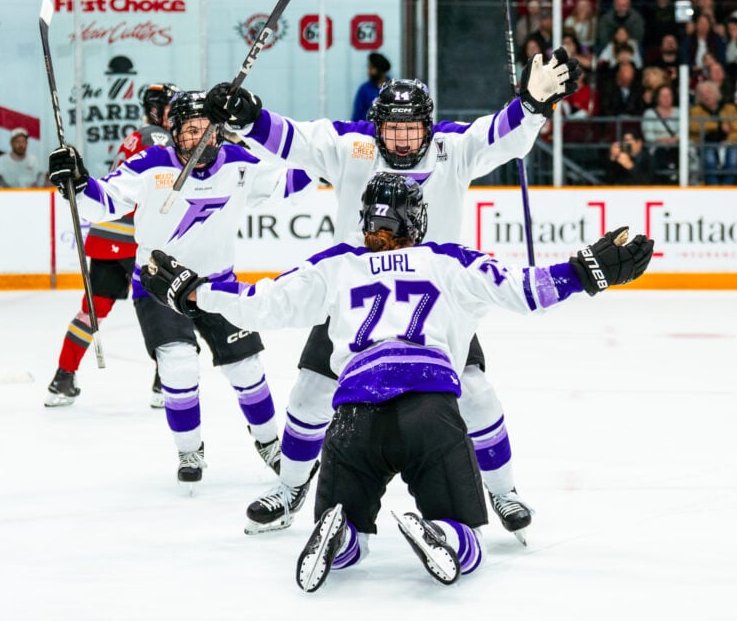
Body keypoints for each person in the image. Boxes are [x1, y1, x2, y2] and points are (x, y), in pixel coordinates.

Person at [139, 173, 653, 591]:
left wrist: (193, 294)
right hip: (428, 409)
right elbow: (527, 290)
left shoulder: (336, 266)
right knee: (467, 536)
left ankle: (340, 536)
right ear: (418, 220)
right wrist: (587, 273)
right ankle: (446, 534)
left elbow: (260, 304)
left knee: (350, 531)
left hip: (353, 417)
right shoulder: (448, 259)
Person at [203, 47, 581, 539]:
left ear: (429, 125)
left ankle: (504, 491)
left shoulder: (454, 146)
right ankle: (291, 487)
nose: (402, 140)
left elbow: (500, 136)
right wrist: (250, 117)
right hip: (355, 297)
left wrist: (532, 103)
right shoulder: (351, 146)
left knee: (476, 392)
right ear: (375, 124)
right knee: (310, 392)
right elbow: (292, 139)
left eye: (412, 129)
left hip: (436, 302)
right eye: (392, 129)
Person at [45, 90, 313, 485]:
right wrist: (78, 183)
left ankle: (270, 444)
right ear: (173, 132)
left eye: (207, 129)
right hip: (159, 284)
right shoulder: (150, 164)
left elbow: (293, 180)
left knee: (246, 368)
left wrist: (322, 158)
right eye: (191, 130)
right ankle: (190, 450)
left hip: (219, 283)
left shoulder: (240, 162)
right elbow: (103, 202)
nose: (200, 138)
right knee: (179, 366)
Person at [45, 84, 176, 408]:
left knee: (91, 311)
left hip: (107, 235)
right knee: (161, 306)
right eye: (172, 109)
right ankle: (166, 381)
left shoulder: (135, 136)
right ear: (159, 111)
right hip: (137, 238)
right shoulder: (159, 139)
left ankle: (63, 377)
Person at [350, 53, 391, 122]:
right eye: (368, 68)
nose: (368, 71)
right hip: (366, 130)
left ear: (380, 69)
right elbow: (357, 115)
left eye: (371, 68)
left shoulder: (392, 89)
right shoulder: (364, 89)